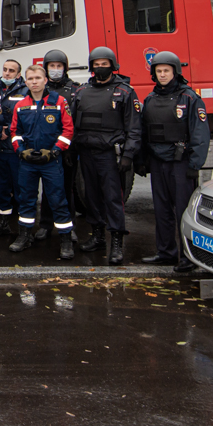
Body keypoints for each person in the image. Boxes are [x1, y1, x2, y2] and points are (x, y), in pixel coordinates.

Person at [136, 51, 209, 273]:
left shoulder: (189, 98)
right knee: (162, 209)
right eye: (158, 71)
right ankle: (166, 252)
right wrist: (142, 160)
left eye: (166, 70)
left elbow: (200, 134)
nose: (163, 75)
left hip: (181, 162)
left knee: (183, 212)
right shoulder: (150, 99)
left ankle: (188, 256)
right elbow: (144, 132)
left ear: (175, 71)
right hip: (158, 162)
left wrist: (195, 164)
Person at [73, 46, 138, 265]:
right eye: (97, 64)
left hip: (111, 155)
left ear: (113, 65)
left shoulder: (125, 92)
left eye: (105, 64)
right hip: (86, 152)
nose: (100, 68)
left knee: (113, 199)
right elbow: (72, 124)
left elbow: (134, 127)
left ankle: (117, 242)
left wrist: (128, 155)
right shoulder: (81, 92)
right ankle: (98, 236)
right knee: (91, 197)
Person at [8, 63, 76, 258]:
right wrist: (21, 151)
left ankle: (65, 240)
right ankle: (24, 236)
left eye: (38, 78)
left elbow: (68, 130)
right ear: (26, 81)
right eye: (30, 79)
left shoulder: (59, 101)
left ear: (45, 80)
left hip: (51, 161)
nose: (34, 82)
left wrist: (55, 151)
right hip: (27, 162)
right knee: (26, 200)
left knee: (57, 200)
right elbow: (15, 132)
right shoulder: (21, 105)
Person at [34, 49, 80, 242]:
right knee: (47, 189)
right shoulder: (40, 90)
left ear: (65, 68)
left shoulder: (75, 90)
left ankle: (69, 227)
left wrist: (70, 149)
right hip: (46, 148)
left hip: (67, 148)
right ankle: (45, 224)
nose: (55, 70)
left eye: (58, 66)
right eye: (51, 66)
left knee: (66, 189)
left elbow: (76, 121)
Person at [0, 58, 28, 238]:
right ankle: (3, 223)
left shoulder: (26, 92)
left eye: (11, 71)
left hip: (16, 151)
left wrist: (9, 130)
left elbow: (27, 119)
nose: (7, 73)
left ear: (18, 74)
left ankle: (23, 228)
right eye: (5, 69)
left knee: (21, 190)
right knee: (1, 189)